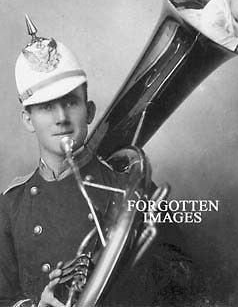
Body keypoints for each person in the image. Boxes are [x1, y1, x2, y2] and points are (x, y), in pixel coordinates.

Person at [0, 17, 194, 307]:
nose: (61, 117)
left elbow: (185, 282)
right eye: (46, 107)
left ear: (89, 111)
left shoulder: (129, 186)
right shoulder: (11, 205)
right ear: (28, 120)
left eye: (71, 102)